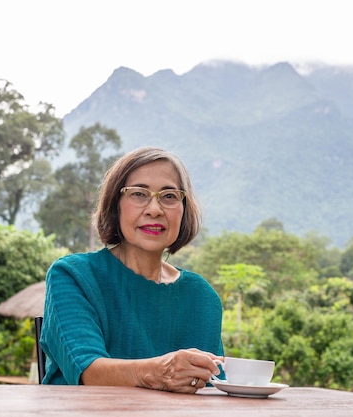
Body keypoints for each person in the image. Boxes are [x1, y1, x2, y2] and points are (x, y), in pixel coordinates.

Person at [40, 146, 224, 393]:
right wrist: (160, 372)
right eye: (138, 194)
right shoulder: (73, 276)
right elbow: (88, 371)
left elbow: (211, 388)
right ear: (115, 205)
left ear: (184, 209)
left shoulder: (202, 296)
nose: (154, 209)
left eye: (169, 196)